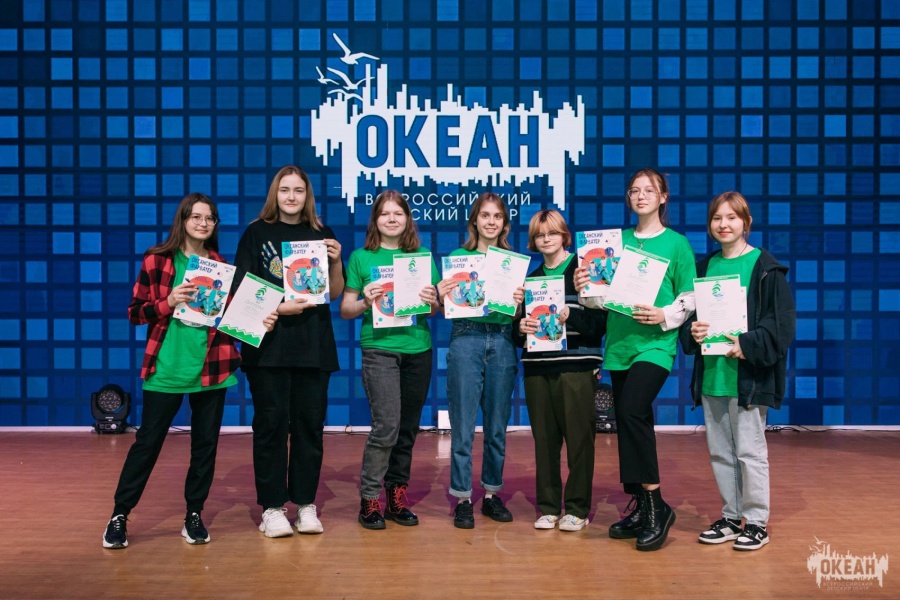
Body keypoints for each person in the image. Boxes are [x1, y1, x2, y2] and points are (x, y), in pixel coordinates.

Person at [102, 193, 276, 549]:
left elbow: (230, 321)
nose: (203, 223)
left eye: (209, 218)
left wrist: (258, 321)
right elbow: (135, 313)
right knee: (147, 444)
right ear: (183, 220)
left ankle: (193, 514)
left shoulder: (220, 266)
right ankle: (120, 514)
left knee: (205, 447)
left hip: (211, 370)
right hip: (166, 368)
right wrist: (169, 301)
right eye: (196, 216)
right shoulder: (158, 260)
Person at [575, 167, 696, 551]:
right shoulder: (616, 242)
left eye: (649, 190)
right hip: (620, 344)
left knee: (630, 411)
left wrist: (664, 315)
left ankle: (657, 506)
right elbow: (601, 300)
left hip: (655, 345)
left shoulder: (677, 244)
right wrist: (584, 288)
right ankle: (643, 507)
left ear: (663, 197)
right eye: (634, 190)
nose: (640, 196)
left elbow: (690, 297)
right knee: (631, 422)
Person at [679, 191, 795, 551]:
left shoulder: (765, 268)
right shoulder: (703, 268)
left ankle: (756, 522)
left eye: (732, 217)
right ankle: (731, 517)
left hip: (748, 378)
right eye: (717, 218)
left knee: (750, 452)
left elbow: (781, 325)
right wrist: (694, 332)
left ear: (746, 222)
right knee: (720, 453)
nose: (723, 224)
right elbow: (689, 321)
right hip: (713, 375)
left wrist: (748, 343)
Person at [233, 165, 345, 537]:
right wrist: (280, 308)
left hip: (313, 347)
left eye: (298, 190)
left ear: (307, 195)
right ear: (275, 194)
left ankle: (306, 504)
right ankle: (272, 508)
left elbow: (334, 292)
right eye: (285, 190)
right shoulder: (256, 233)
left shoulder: (321, 234)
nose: (292, 196)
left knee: (309, 428)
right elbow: (241, 289)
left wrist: (335, 260)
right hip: (268, 348)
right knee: (271, 427)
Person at [340, 190, 440, 530]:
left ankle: (396, 497)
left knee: (408, 429)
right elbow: (346, 308)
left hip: (418, 349)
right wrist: (365, 301)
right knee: (386, 427)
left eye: (399, 213)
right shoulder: (361, 258)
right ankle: (370, 499)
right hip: (379, 349)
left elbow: (436, 309)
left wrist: (432, 299)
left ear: (407, 219)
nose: (392, 218)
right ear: (376, 220)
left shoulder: (422, 257)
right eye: (385, 213)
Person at [514, 209, 606, 532]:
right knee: (544, 441)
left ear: (565, 235)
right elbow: (516, 331)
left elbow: (599, 324)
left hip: (576, 367)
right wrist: (520, 327)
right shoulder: (530, 280)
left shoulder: (583, 270)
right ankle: (549, 507)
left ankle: (577, 508)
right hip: (537, 368)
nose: (546, 239)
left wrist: (571, 315)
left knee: (580, 440)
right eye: (540, 235)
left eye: (552, 233)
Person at [436, 193, 523, 529]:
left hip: (501, 340)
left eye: (497, 216)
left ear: (504, 223)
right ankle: (462, 498)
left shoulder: (512, 262)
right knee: (462, 426)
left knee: (497, 426)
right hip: (466, 338)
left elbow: (518, 314)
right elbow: (444, 308)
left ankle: (490, 495)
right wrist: (443, 296)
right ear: (474, 221)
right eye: (485, 215)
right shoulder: (457, 259)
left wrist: (520, 302)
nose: (491, 222)